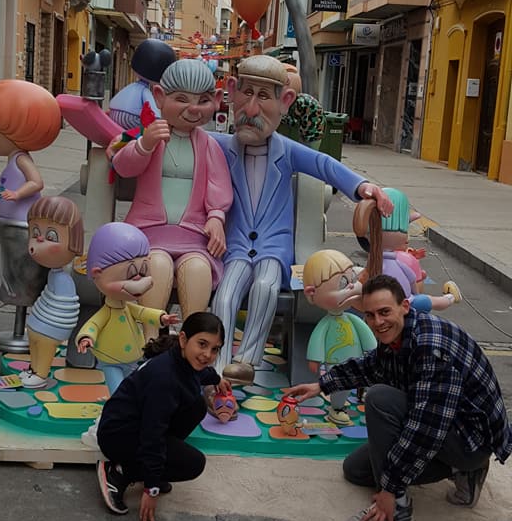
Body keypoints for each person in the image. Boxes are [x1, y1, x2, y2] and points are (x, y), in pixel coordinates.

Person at [211, 54, 393, 383]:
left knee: (265, 287)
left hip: (273, 248)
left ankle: (246, 361)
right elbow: (185, 142)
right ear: (233, 90)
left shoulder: (287, 151)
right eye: (246, 93)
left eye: (263, 96)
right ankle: (216, 362)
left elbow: (324, 164)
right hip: (236, 246)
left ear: (285, 101)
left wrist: (362, 186)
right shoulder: (221, 146)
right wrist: (137, 143)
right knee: (225, 293)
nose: (251, 108)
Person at [286, 274, 512, 521]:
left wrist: (390, 491)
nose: (377, 322)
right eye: (370, 315)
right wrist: (322, 385)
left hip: (470, 440)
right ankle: (456, 470)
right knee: (356, 470)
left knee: (379, 399)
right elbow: (371, 366)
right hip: (443, 423)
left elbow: (425, 431)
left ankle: (404, 506)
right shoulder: (399, 334)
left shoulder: (430, 347)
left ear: (404, 306)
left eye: (384, 312)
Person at [110, 58, 233, 319]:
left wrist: (216, 216)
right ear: (159, 96)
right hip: (148, 233)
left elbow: (218, 186)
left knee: (197, 270)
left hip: (194, 236)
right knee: (156, 265)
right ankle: (150, 336)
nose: (193, 108)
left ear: (216, 100)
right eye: (181, 99)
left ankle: (191, 335)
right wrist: (144, 144)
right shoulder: (151, 136)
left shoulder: (208, 145)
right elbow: (124, 167)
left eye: (203, 100)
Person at [96, 312, 229, 521]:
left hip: (135, 423)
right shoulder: (164, 378)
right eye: (202, 344)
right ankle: (120, 472)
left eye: (215, 349)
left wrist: (217, 379)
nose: (207, 354)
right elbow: (153, 435)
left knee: (196, 405)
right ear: (184, 339)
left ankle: (147, 466)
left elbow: (200, 374)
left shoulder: (182, 360)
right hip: (118, 436)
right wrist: (151, 487)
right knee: (194, 464)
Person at [76, 222, 179, 395]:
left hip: (133, 358)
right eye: (131, 275)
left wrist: (161, 317)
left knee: (133, 389)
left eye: (143, 272)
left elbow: (144, 313)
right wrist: (86, 337)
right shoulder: (106, 312)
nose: (140, 282)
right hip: (111, 360)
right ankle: (117, 410)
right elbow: (93, 324)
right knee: (118, 391)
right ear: (97, 273)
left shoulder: (129, 308)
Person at [0, 80, 62, 308]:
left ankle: (21, 307)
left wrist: (17, 194)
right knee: (11, 272)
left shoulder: (21, 159)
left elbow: (36, 182)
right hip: (9, 223)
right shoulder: (14, 159)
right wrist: (1, 201)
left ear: (14, 133)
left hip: (21, 226)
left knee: (19, 275)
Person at [302, 250, 376, 426]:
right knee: (339, 385)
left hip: (358, 358)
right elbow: (317, 339)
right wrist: (315, 358)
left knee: (368, 376)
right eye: (342, 283)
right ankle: (337, 408)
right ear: (312, 293)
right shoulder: (326, 324)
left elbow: (367, 336)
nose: (351, 287)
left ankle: (366, 394)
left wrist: (374, 350)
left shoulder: (352, 319)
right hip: (335, 361)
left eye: (352, 279)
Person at [20, 196, 84, 388]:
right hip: (39, 324)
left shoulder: (64, 280)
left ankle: (40, 374)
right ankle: (34, 369)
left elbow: (65, 309)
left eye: (51, 236)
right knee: (35, 344)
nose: (39, 239)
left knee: (44, 346)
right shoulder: (54, 275)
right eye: (35, 232)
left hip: (49, 328)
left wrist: (50, 324)